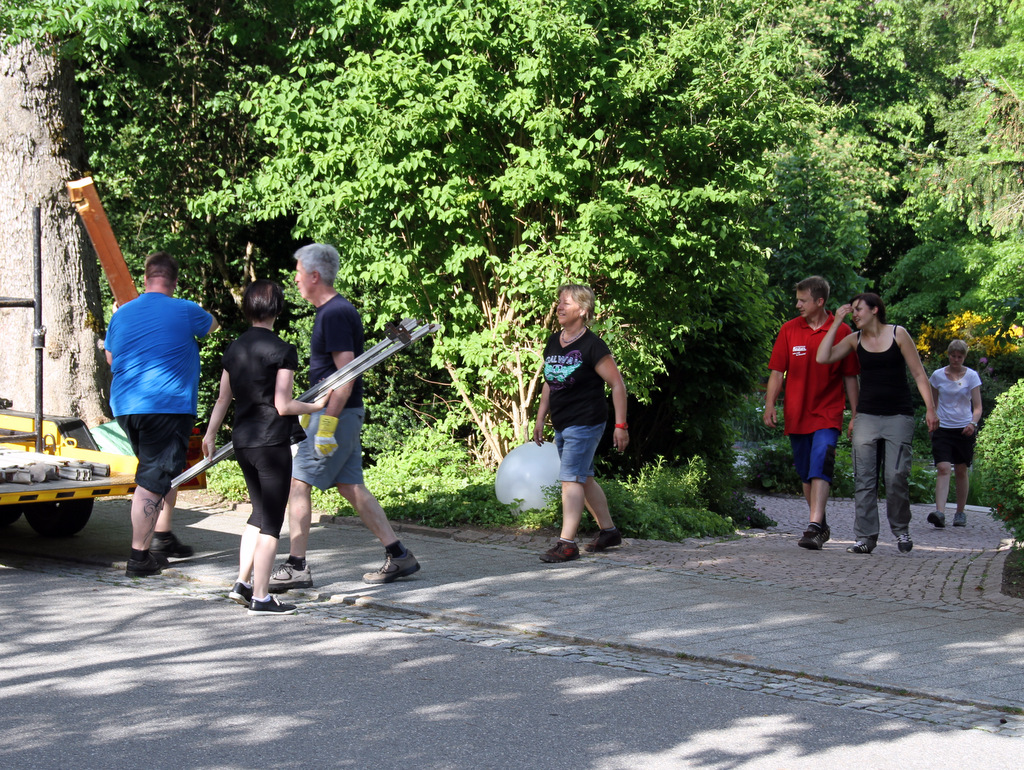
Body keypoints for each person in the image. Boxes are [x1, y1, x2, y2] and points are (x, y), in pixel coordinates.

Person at [269, 244, 419, 591]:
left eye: (298, 273)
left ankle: (296, 566)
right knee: (350, 486)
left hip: (337, 414)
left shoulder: (334, 313)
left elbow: (346, 375)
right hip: (342, 414)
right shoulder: (333, 311)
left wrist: (326, 425)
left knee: (298, 483)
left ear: (314, 276)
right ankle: (399, 554)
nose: (295, 280)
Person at [202, 280, 331, 615]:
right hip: (271, 442)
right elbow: (284, 405)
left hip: (243, 442)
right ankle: (261, 597)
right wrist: (317, 406)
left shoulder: (234, 348)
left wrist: (210, 434)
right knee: (271, 522)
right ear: (277, 309)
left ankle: (241, 583)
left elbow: (223, 398)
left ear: (248, 308)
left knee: (257, 514)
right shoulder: (283, 350)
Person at [104, 251, 219, 577]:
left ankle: (162, 536)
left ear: (145, 279)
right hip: (165, 405)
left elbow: (111, 358)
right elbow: (213, 325)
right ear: (175, 281)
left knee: (161, 472)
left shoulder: (122, 314)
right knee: (151, 480)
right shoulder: (185, 309)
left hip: (126, 407)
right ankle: (139, 557)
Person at [816, 293, 938, 554]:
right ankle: (866, 537)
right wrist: (836, 323)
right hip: (867, 417)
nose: (854, 315)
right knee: (864, 479)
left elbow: (918, 373)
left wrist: (930, 409)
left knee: (896, 477)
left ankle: (901, 530)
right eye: (852, 310)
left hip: (899, 416)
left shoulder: (898, 334)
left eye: (858, 309)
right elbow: (823, 357)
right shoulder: (855, 339)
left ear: (875, 310)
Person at [532, 284, 629, 563]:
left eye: (566, 302)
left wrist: (621, 426)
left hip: (586, 421)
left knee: (570, 479)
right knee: (583, 478)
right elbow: (550, 381)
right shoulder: (554, 341)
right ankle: (609, 532)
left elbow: (617, 384)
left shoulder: (593, 345)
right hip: (563, 422)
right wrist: (540, 417)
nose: (559, 307)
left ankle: (567, 544)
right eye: (559, 302)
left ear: (583, 310)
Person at [764, 276, 859, 550]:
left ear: (819, 301)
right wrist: (770, 405)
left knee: (821, 463)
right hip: (797, 414)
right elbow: (777, 372)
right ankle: (820, 525)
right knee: (806, 473)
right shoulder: (789, 330)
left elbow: (850, 377)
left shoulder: (841, 331)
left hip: (828, 413)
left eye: (802, 300)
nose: (797, 305)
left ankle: (813, 525)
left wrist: (856, 414)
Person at [926, 340, 983, 529]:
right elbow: (933, 403)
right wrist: (931, 420)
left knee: (961, 469)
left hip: (964, 428)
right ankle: (940, 512)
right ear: (948, 355)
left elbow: (977, 407)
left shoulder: (972, 376)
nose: (956, 359)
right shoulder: (937, 376)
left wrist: (973, 423)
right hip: (943, 428)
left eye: (960, 357)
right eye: (953, 356)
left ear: (964, 357)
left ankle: (960, 512)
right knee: (943, 468)